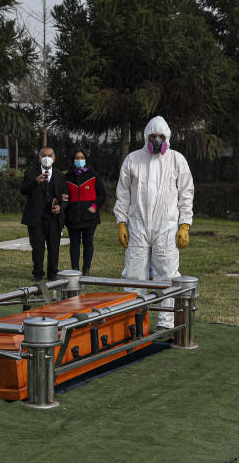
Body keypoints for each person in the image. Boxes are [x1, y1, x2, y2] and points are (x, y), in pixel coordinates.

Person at [113, 116, 193, 330]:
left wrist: (184, 225)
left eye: (160, 137)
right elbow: (123, 193)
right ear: (146, 137)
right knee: (134, 274)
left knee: (166, 274)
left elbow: (186, 194)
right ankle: (133, 322)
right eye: (152, 136)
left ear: (167, 137)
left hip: (166, 225)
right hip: (137, 225)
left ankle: (166, 323)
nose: (156, 140)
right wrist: (121, 222)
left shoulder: (177, 160)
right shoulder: (133, 159)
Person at [20, 146, 67, 281]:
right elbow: (23, 190)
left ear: (54, 158)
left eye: (50, 155)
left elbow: (65, 196)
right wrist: (35, 181)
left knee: (54, 247)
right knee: (38, 248)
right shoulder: (30, 173)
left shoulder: (60, 175)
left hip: (54, 218)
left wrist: (60, 207)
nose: (47, 158)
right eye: (44, 155)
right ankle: (37, 273)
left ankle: (52, 273)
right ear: (40, 158)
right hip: (36, 217)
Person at [64, 148, 107, 275]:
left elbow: (103, 195)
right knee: (74, 244)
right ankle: (75, 270)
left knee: (88, 243)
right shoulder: (67, 177)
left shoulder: (93, 175)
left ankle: (86, 269)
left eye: (82, 157)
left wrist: (95, 206)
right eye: (77, 158)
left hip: (90, 217)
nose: (79, 160)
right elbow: (64, 195)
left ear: (86, 159)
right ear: (73, 160)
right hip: (72, 217)